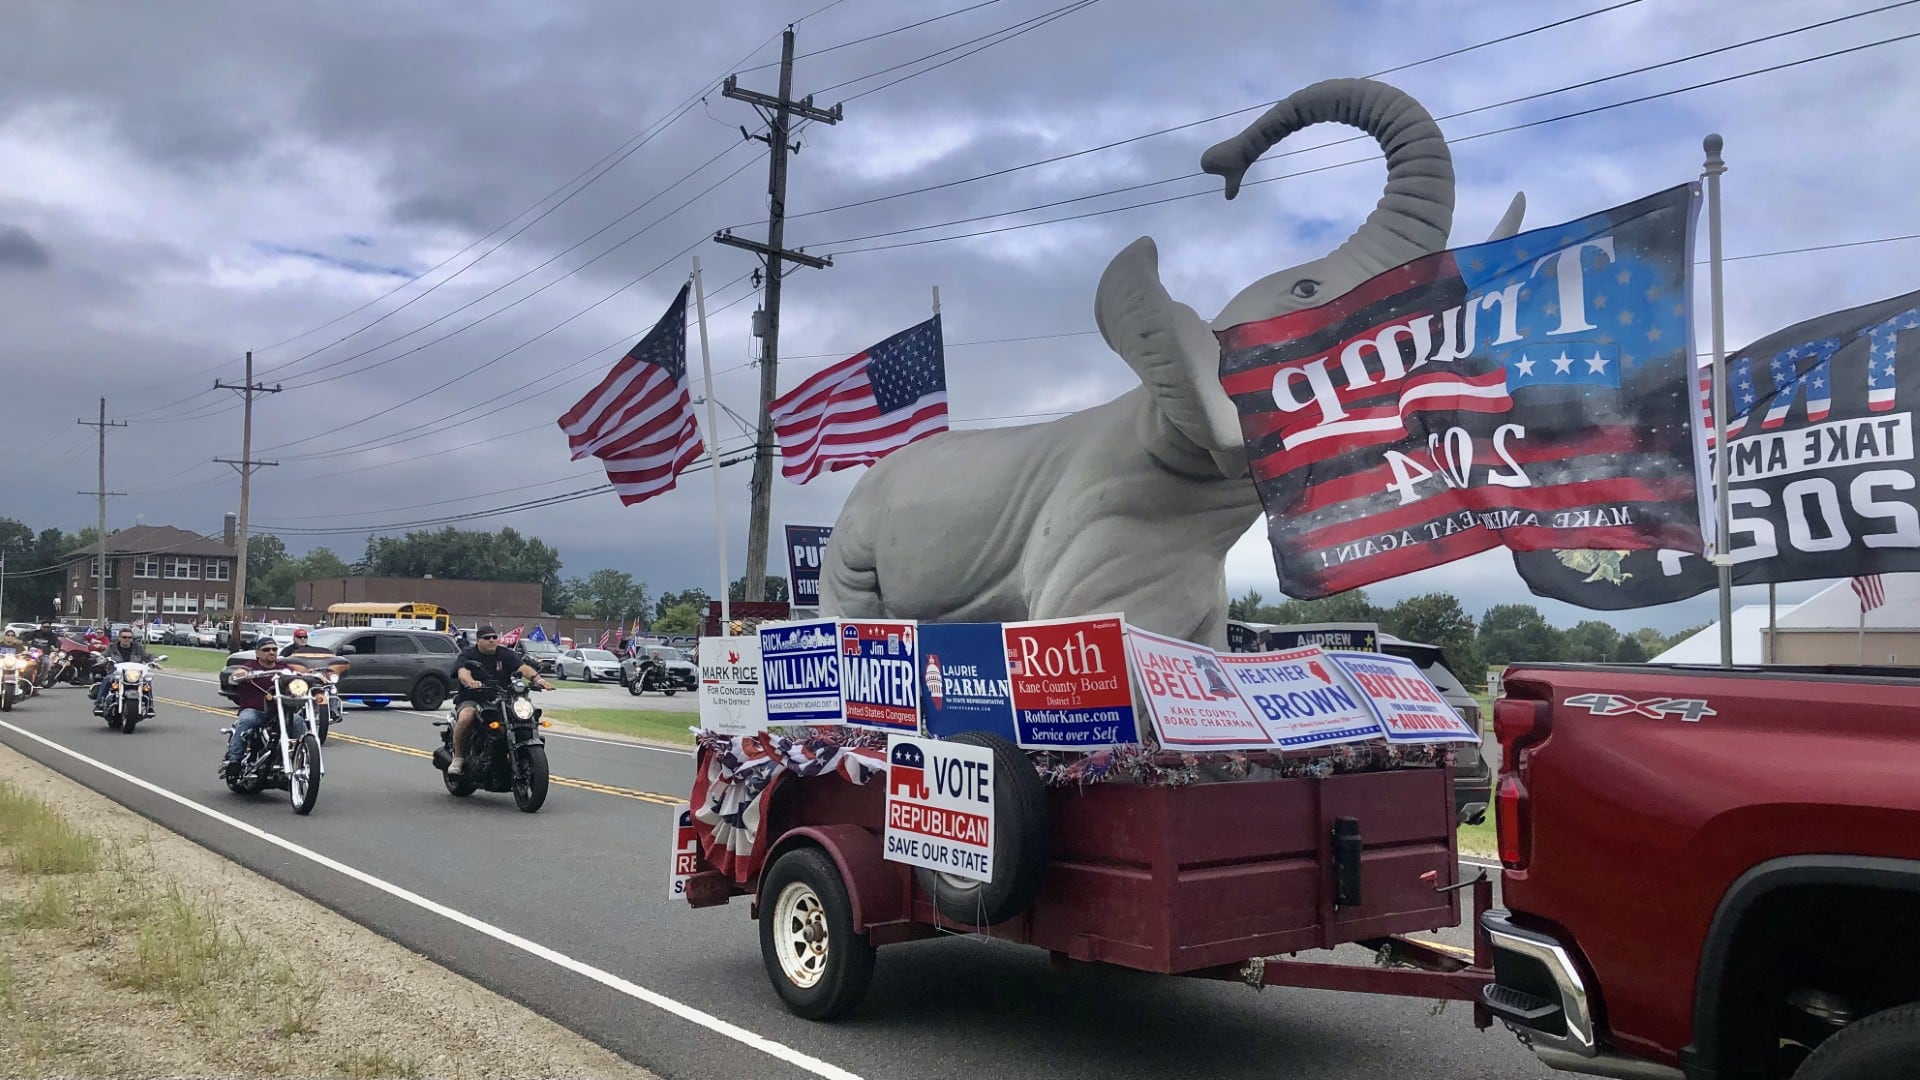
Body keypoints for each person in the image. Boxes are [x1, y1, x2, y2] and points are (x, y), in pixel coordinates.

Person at [449, 626, 549, 776]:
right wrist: (471, 682)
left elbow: (522, 667)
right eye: (487, 638)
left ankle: (526, 749)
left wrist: (538, 679)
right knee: (466, 717)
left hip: (503, 697)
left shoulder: (505, 654)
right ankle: (458, 757)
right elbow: (463, 672)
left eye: (494, 637)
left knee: (528, 714)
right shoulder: (468, 654)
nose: (491, 640)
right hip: (474, 697)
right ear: (478, 640)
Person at [221, 640, 292, 778]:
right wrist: (241, 675)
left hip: (279, 713)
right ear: (257, 653)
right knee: (246, 720)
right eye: (266, 650)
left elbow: (297, 673)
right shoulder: (251, 666)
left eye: (274, 649)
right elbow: (240, 672)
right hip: (255, 710)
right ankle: (234, 759)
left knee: (298, 722)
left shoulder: (283, 667)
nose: (271, 652)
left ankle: (302, 757)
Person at [91, 626, 153, 714]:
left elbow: (147, 656)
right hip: (116, 672)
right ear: (119, 638)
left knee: (147, 681)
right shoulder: (112, 647)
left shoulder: (138, 647)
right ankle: (99, 704)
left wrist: (154, 661)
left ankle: (150, 705)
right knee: (107, 679)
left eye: (129, 637)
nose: (127, 639)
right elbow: (104, 654)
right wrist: (101, 659)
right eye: (124, 637)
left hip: (134, 673)